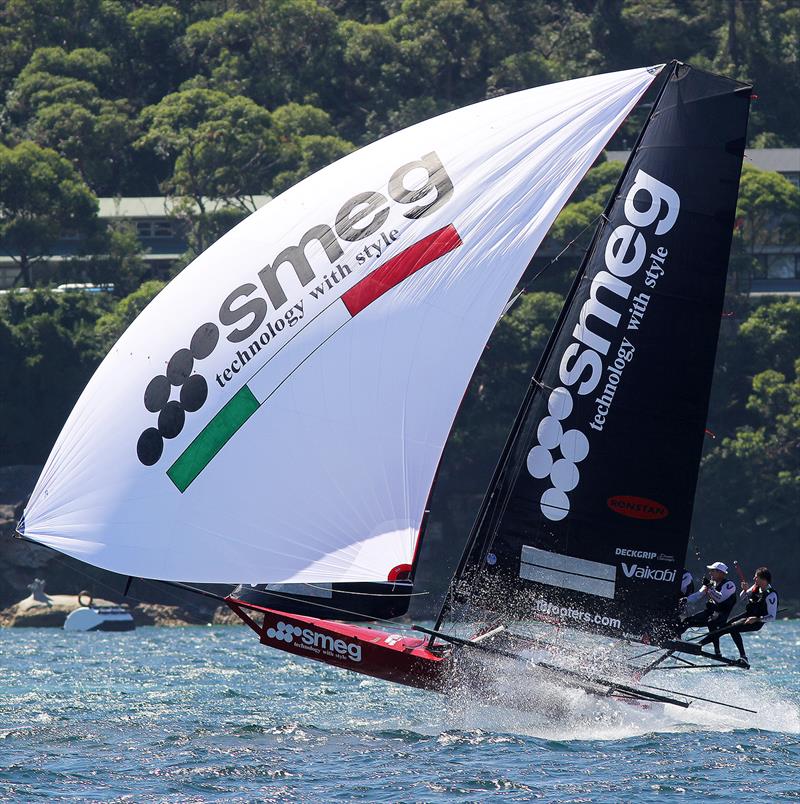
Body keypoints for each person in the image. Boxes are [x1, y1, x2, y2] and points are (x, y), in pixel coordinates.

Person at [700, 566, 778, 668]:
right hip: (748, 615)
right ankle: (700, 644)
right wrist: (745, 590)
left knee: (732, 628)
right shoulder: (756, 587)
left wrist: (757, 619)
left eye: (756, 577)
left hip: (756, 621)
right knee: (726, 626)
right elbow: (743, 598)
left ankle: (743, 657)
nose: (754, 579)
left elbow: (772, 617)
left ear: (763, 579)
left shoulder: (771, 595)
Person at [680, 561, 737, 655]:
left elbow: (720, 598)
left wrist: (710, 587)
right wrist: (686, 599)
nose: (710, 573)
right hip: (710, 613)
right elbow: (698, 595)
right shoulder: (710, 583)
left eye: (712, 571)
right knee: (687, 621)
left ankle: (715, 650)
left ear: (720, 573)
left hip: (721, 616)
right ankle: (675, 638)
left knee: (712, 624)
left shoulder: (729, 585)